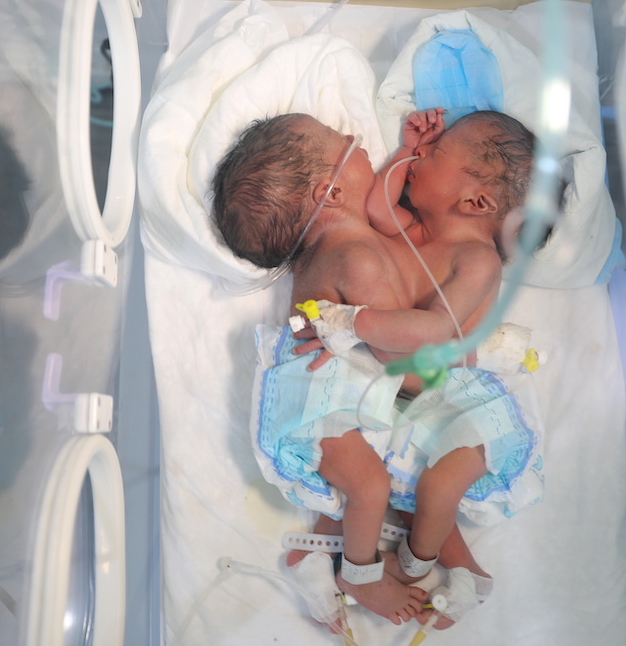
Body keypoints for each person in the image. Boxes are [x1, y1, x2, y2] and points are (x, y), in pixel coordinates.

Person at [212, 109, 542, 630]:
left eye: (434, 155)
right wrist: (413, 155)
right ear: (330, 194)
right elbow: (403, 356)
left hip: (372, 388)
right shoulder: (371, 248)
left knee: (407, 473)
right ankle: (360, 574)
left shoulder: (409, 248)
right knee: (372, 486)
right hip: (356, 390)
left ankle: (395, 555)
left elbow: (380, 218)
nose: (353, 135)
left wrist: (360, 327)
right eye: (346, 144)